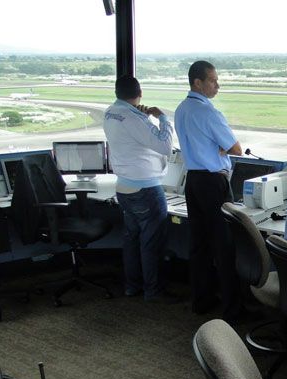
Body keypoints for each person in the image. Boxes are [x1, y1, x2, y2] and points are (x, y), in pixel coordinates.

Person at [174, 60, 242, 315]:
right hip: (213, 183)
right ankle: (232, 309)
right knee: (224, 246)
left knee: (199, 245)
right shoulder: (209, 112)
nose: (217, 85)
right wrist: (222, 147)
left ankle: (201, 301)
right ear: (197, 83)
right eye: (213, 80)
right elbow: (236, 148)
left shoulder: (181, 109)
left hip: (193, 181)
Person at [102, 75, 176, 303]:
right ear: (140, 92)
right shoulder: (135, 118)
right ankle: (153, 292)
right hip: (146, 190)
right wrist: (162, 117)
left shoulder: (111, 113)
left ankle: (132, 286)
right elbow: (164, 145)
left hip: (124, 188)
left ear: (117, 92)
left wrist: (142, 118)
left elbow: (132, 138)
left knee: (132, 239)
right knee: (151, 242)